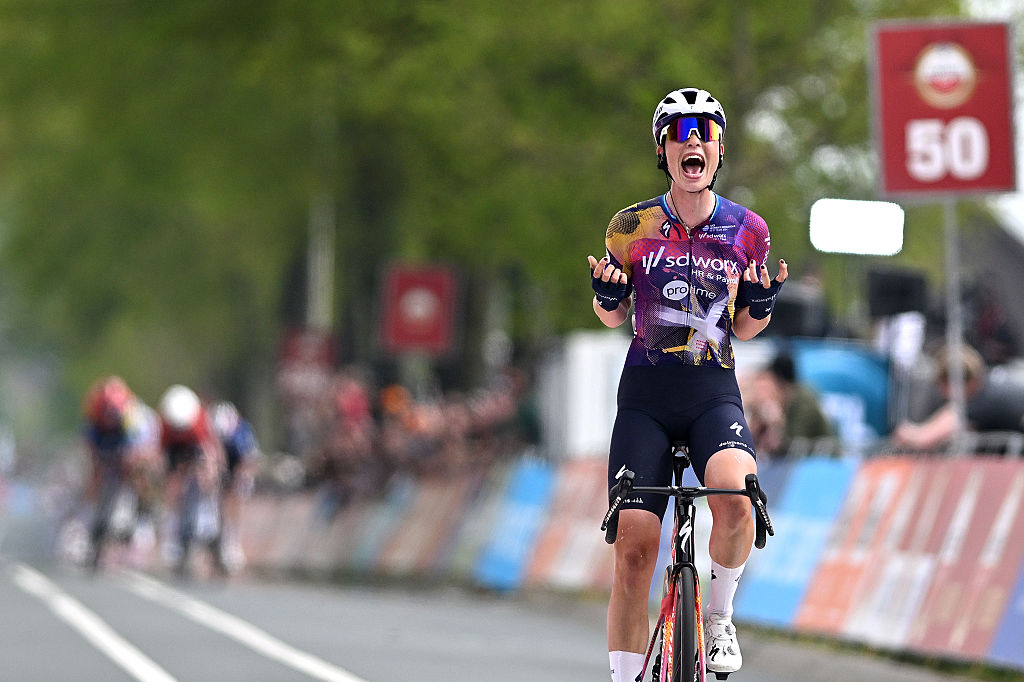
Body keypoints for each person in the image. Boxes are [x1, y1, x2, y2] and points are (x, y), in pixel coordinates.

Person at [588, 87, 787, 681]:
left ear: (719, 148)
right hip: (647, 398)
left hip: (711, 393)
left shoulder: (748, 229)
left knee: (737, 497)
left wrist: (760, 302)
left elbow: (749, 329)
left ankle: (720, 615)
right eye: (680, 132)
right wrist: (605, 296)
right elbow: (613, 316)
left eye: (704, 131)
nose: (692, 140)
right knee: (634, 547)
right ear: (663, 150)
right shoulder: (631, 226)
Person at [81, 376, 161, 569]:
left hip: (131, 447)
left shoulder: (135, 417)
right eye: (106, 413)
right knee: (97, 475)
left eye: (113, 414)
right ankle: (93, 523)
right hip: (107, 449)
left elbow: (145, 452)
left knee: (137, 469)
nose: (109, 417)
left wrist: (133, 459)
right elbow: (91, 452)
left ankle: (144, 515)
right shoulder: (94, 418)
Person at [893, 343, 1024, 452]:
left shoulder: (981, 399)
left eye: (941, 386)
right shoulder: (989, 384)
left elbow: (925, 437)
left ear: (950, 383)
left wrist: (908, 433)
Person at [157, 384, 226, 575]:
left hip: (196, 448)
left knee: (205, 480)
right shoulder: (165, 426)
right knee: (174, 488)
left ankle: (213, 531)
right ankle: (176, 539)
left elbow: (211, 454)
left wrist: (210, 477)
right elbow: (162, 457)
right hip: (176, 452)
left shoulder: (199, 422)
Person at [743, 352, 834, 457]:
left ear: (779, 383)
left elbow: (792, 442)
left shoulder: (803, 400)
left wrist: (776, 424)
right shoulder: (769, 402)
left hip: (820, 455)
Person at [210, 400, 260, 572]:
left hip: (241, 465)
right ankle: (218, 538)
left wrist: (238, 481)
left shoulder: (242, 433)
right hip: (223, 462)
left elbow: (248, 462)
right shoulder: (215, 430)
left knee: (237, 497)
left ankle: (233, 542)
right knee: (218, 498)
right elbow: (214, 457)